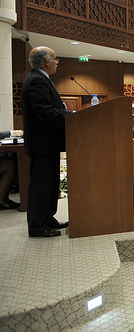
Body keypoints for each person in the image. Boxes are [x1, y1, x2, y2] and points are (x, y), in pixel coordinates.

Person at [21, 47, 73, 237]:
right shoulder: (36, 80)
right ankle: (36, 226)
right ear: (46, 62)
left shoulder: (40, 78)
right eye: (55, 59)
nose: (57, 62)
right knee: (41, 185)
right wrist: (71, 114)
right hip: (42, 144)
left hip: (48, 144)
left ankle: (47, 218)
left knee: (50, 184)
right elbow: (45, 112)